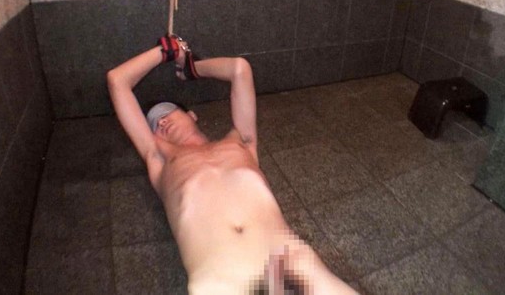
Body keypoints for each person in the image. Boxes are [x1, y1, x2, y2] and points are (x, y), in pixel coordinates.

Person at [107, 35, 357, 295]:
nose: (161, 122)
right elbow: (117, 80)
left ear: (191, 115)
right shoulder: (159, 159)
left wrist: (190, 66)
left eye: (165, 112)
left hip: (288, 261)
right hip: (221, 280)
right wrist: (165, 51)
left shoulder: (241, 141)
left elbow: (240, 69)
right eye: (153, 123)